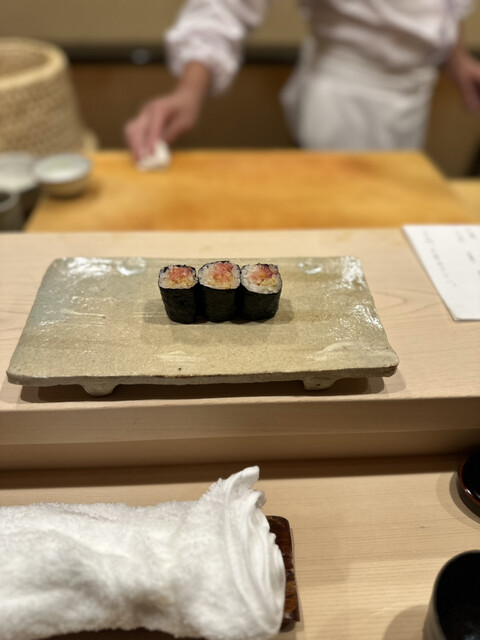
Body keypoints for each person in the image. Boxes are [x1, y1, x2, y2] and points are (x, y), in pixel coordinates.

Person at [125, 0, 480, 161]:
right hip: (344, 99)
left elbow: (443, 11)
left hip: (415, 96)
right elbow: (226, 6)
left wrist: (458, 59)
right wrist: (189, 90)